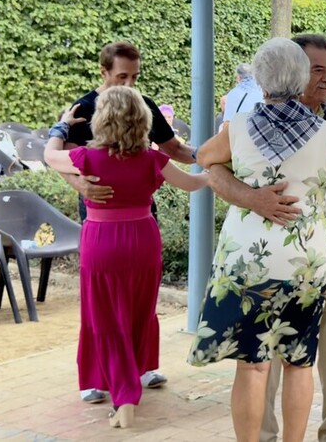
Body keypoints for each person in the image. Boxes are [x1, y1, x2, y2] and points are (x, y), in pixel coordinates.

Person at [187, 39, 326, 442]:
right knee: (299, 363)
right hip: (305, 263)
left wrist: (249, 193)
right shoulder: (324, 132)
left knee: (252, 365)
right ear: (301, 76)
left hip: (246, 261)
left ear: (260, 79)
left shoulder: (239, 127)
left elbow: (203, 157)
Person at [44, 86, 209, 428]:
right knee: (137, 314)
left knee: (106, 319)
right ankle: (131, 383)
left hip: (101, 242)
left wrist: (61, 126)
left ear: (101, 120)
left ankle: (124, 396)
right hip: (143, 241)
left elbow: (50, 155)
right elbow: (194, 184)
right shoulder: (153, 159)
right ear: (144, 120)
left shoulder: (86, 158)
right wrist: (217, 171)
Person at [64, 41, 194, 404]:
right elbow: (61, 158)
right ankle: (95, 376)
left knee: (141, 300)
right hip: (100, 218)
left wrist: (215, 155)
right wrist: (79, 184)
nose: (129, 84)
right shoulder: (84, 108)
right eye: (122, 76)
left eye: (135, 76)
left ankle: (142, 365)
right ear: (103, 72)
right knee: (100, 304)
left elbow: (176, 151)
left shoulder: (142, 106)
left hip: (140, 219)